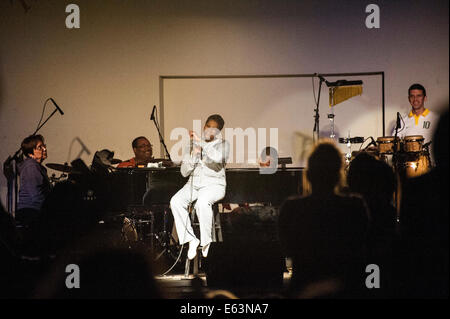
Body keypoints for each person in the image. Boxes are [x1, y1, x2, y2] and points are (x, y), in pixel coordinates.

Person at [278, 141, 369, 297]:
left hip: (303, 287)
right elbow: (361, 247)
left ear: (309, 174)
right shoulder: (355, 207)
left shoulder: (291, 208)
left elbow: (287, 248)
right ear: (338, 174)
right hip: (346, 289)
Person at [170, 114, 229, 260]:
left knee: (202, 203)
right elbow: (184, 172)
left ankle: (206, 243)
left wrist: (200, 143)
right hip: (193, 184)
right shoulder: (192, 145)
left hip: (213, 185)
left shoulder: (223, 145)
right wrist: (193, 157)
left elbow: (216, 158)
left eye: (214, 129)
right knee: (175, 202)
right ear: (204, 126)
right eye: (208, 126)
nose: (209, 131)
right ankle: (190, 239)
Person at [16, 134, 51, 227]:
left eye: (44, 146)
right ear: (30, 153)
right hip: (30, 211)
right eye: (40, 147)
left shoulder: (37, 167)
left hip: (34, 209)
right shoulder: (31, 166)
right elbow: (34, 195)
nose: (44, 149)